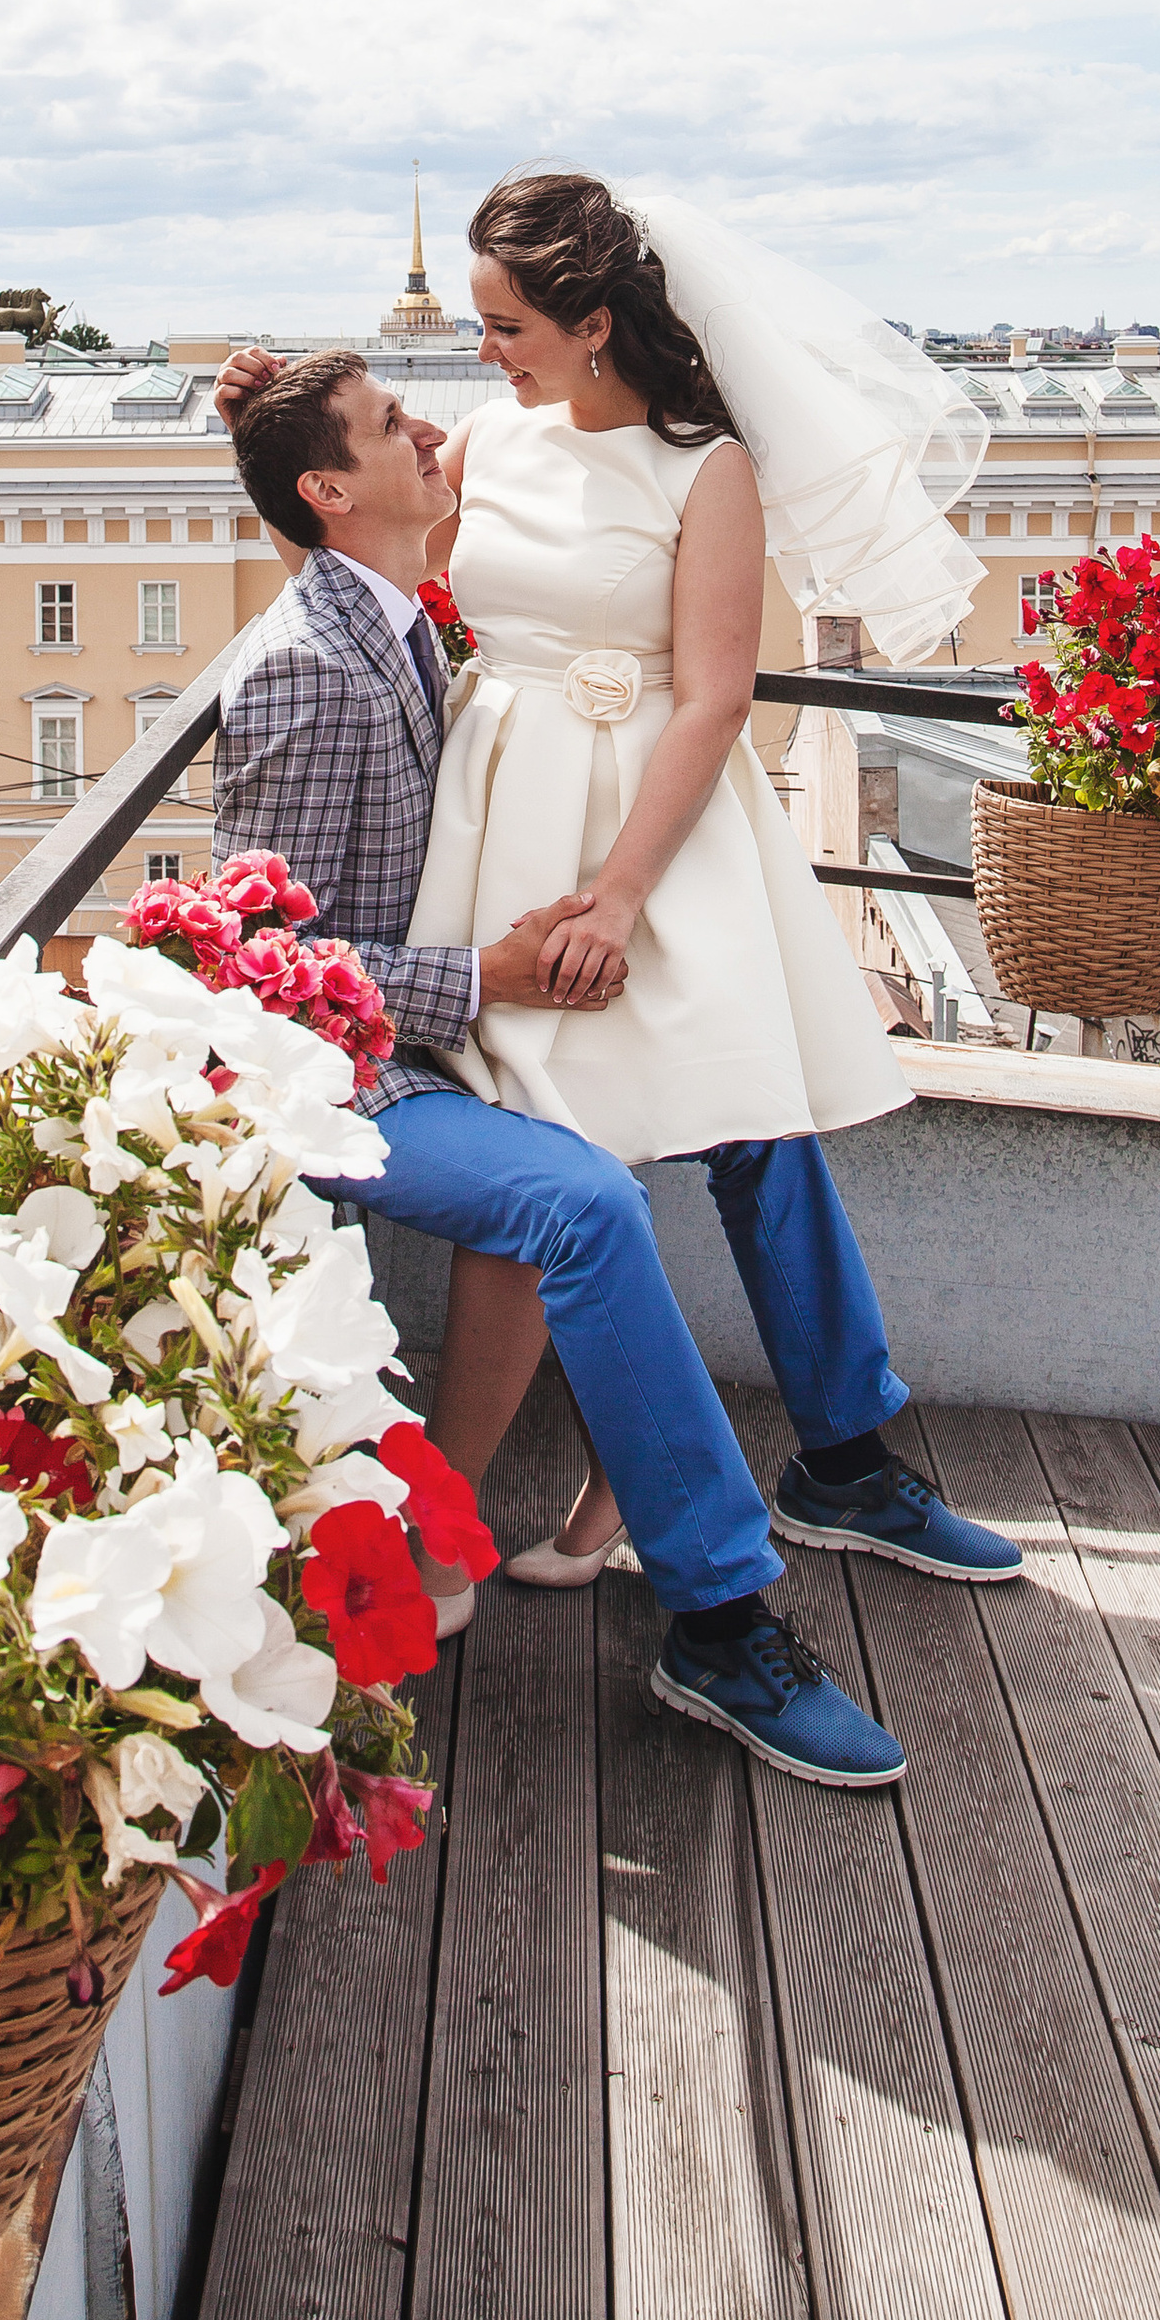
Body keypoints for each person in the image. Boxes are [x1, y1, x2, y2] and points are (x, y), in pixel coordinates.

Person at [212, 202, 1017, 1789]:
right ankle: (654, 1554)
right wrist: (269, 421)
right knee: (583, 1175)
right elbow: (353, 532)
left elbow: (714, 687)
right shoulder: (472, 467)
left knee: (746, 1121)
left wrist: (625, 887)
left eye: (504, 324)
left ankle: (806, 1474)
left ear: (590, 323)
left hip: (635, 832)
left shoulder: (690, 459)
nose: (476, 359)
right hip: (490, 856)